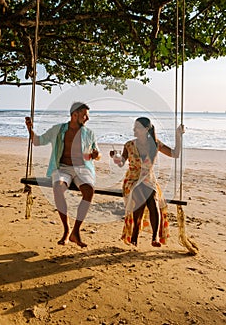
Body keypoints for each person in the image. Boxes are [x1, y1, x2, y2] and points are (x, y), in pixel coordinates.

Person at [25, 102, 101, 248]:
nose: (87, 119)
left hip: (82, 168)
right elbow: (37, 141)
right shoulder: (58, 130)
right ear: (74, 115)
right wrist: (30, 129)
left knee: (89, 191)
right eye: (85, 115)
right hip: (62, 168)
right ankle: (66, 230)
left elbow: (97, 154)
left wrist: (96, 155)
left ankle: (76, 231)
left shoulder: (89, 133)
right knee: (58, 188)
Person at [110, 117, 184, 248]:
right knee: (141, 195)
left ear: (146, 129)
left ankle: (154, 237)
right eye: (134, 127)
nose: (134, 130)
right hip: (132, 180)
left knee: (153, 199)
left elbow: (175, 153)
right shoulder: (129, 145)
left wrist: (178, 135)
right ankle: (135, 233)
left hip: (148, 179)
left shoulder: (155, 144)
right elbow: (121, 163)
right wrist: (115, 157)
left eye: (137, 127)